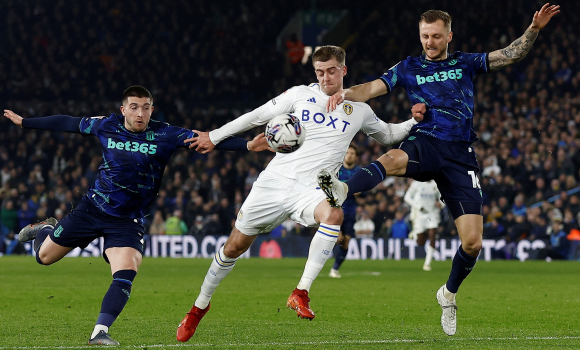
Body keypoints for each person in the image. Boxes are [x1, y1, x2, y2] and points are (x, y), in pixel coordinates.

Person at [318, 4, 560, 335]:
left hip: (460, 155)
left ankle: (448, 294)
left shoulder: (464, 62)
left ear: (448, 35)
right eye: (424, 36)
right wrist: (342, 93)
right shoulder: (408, 67)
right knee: (392, 159)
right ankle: (344, 188)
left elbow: (508, 55)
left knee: (473, 243)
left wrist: (534, 29)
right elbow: (372, 88)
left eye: (435, 36)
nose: (429, 42)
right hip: (426, 142)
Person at [176, 45, 422, 342]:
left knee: (334, 214)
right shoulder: (299, 95)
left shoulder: (360, 110)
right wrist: (213, 137)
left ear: (343, 70)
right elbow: (256, 116)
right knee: (233, 248)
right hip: (275, 181)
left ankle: (301, 291)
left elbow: (390, 135)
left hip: (314, 187)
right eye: (319, 72)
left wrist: (414, 121)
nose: (325, 78)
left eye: (331, 71)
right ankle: (198, 308)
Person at [4, 85, 269, 346]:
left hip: (127, 221)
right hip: (92, 209)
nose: (140, 113)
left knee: (126, 271)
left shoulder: (166, 134)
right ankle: (47, 229)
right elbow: (69, 123)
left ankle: (99, 332)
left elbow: (207, 139)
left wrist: (247, 145)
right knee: (43, 258)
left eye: (145, 108)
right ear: (123, 110)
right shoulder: (106, 125)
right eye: (134, 107)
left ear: (152, 109)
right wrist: (26, 122)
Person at [329, 145, 360, 278]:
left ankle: (335, 269)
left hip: (350, 211)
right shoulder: (336, 170)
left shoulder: (359, 172)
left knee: (346, 241)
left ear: (356, 156)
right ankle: (319, 255)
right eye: (347, 152)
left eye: (352, 153)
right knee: (338, 238)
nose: (349, 155)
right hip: (335, 208)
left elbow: (361, 189)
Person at [404, 179, 444, 271]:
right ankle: (415, 233)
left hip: (432, 214)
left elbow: (443, 198)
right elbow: (407, 197)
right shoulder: (417, 183)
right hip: (419, 214)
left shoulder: (436, 184)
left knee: (432, 237)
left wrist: (441, 204)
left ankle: (427, 263)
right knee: (420, 242)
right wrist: (418, 206)